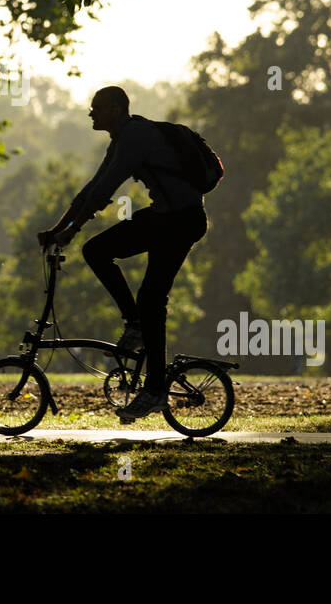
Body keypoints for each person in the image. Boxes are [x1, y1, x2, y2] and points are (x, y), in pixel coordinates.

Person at [38, 86, 208, 421]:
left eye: (96, 108)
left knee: (149, 299)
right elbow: (92, 186)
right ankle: (136, 326)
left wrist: (70, 231)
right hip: (166, 218)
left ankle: (155, 385)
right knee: (102, 256)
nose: (91, 113)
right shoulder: (122, 138)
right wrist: (59, 229)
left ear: (116, 109)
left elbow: (104, 191)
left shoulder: (135, 137)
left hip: (181, 221)